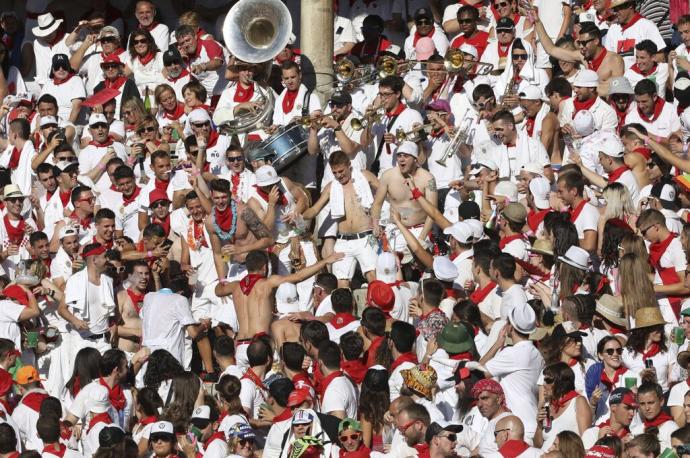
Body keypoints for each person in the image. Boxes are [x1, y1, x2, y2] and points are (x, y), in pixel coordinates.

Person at [215, 250, 343, 370]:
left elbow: (218, 290)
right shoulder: (267, 282)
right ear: (265, 267)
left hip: (241, 348)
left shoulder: (235, 286)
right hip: (260, 346)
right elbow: (298, 277)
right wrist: (325, 261)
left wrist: (223, 280)